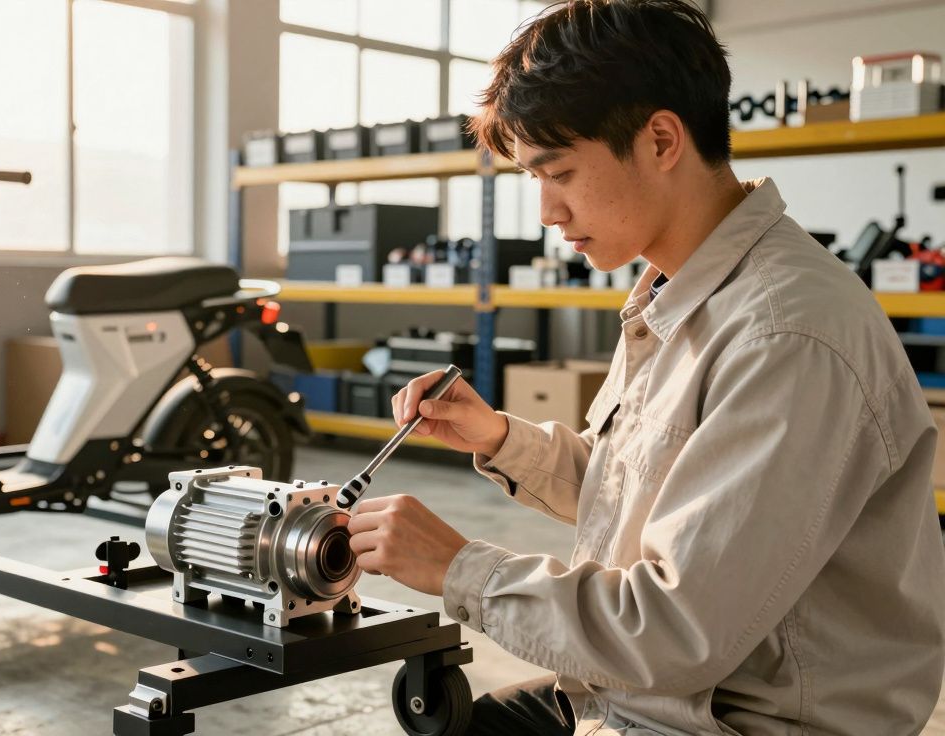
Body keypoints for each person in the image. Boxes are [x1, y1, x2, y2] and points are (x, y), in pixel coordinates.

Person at [345, 1, 945, 733]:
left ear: (662, 139)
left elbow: (674, 632)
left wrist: (456, 567)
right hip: (653, 696)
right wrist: (498, 437)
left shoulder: (784, 335)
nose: (546, 212)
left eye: (557, 170)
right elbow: (640, 491)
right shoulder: (684, 292)